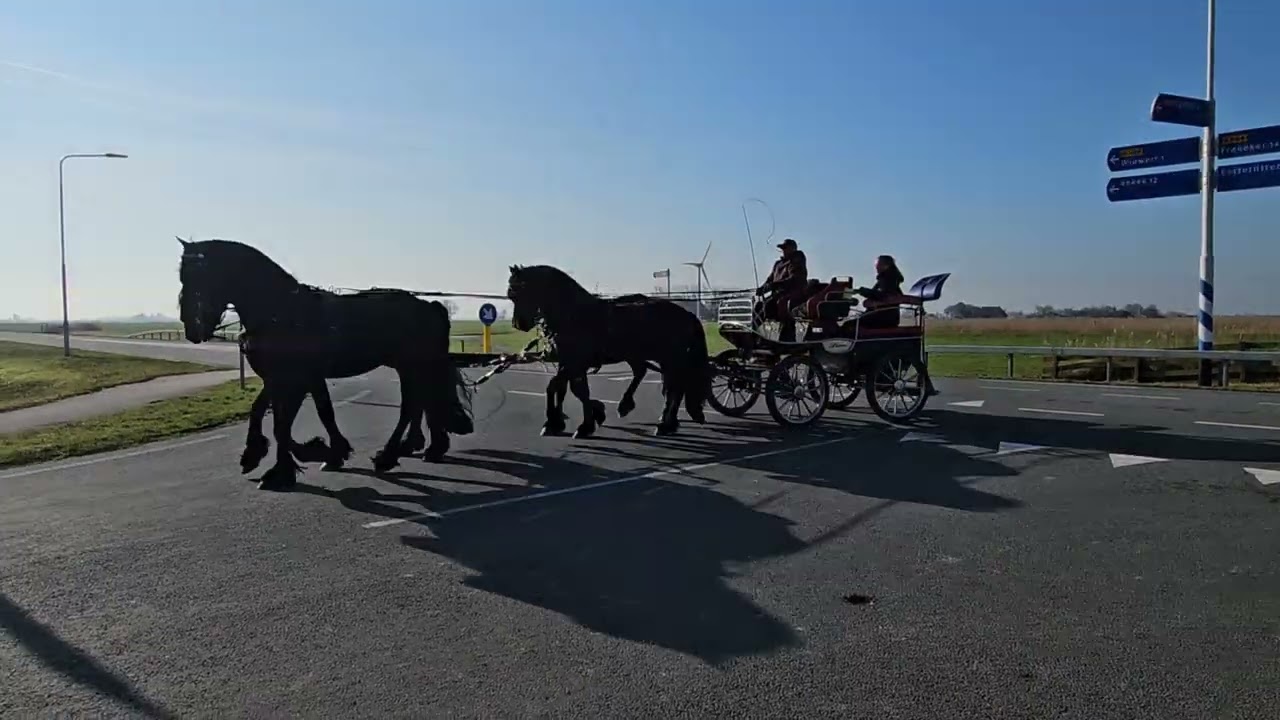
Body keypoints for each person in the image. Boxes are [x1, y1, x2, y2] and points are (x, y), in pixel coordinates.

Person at [855, 254, 939, 396]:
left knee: (853, 325)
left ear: (885, 265)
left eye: (878, 264)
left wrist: (863, 291)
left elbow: (882, 296)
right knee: (854, 323)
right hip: (883, 315)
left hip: (884, 317)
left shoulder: (888, 279)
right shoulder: (888, 278)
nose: (876, 267)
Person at [756, 238, 809, 342]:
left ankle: (785, 338)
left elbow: (794, 279)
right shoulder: (778, 264)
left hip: (793, 296)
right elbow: (770, 279)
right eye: (782, 248)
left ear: (793, 249)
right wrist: (763, 288)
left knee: (770, 305)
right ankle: (754, 333)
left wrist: (774, 285)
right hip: (778, 295)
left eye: (786, 248)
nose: (784, 250)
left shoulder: (797, 260)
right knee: (759, 306)